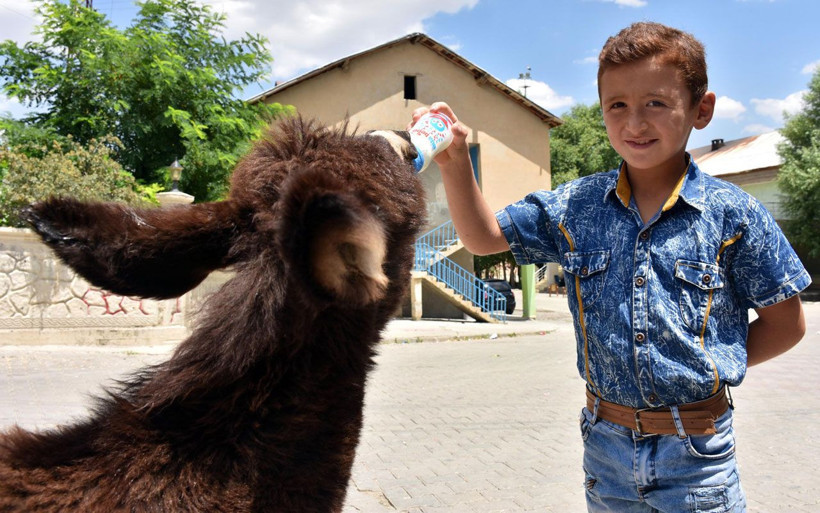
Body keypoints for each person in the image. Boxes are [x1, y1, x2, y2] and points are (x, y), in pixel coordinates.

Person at [410, 21, 810, 512]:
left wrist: (704, 368)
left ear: (701, 110)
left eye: (656, 103)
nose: (634, 123)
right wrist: (454, 162)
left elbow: (787, 325)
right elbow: (483, 236)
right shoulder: (576, 206)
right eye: (617, 105)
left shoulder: (734, 215)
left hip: (698, 455)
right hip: (606, 449)